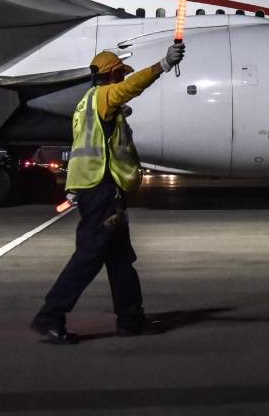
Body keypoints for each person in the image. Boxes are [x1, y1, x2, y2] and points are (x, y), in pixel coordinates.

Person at [31, 44, 185, 344]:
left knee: (119, 259)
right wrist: (163, 64)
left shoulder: (86, 104)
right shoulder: (104, 96)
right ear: (112, 74)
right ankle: (50, 316)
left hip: (97, 187)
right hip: (101, 189)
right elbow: (131, 87)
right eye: (119, 76)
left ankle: (131, 319)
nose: (121, 80)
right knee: (89, 256)